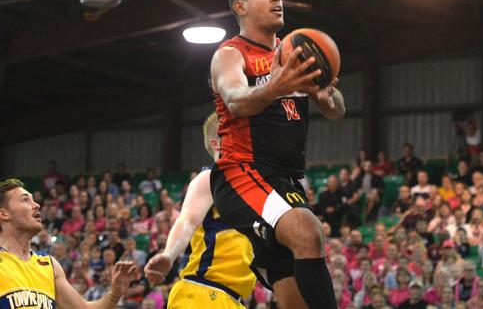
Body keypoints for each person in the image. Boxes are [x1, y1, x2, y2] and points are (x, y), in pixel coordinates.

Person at [201, 0, 345, 309]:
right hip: (243, 172)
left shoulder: (294, 52)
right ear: (240, 6)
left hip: (286, 177)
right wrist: (274, 87)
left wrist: (327, 98)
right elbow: (235, 100)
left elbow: (338, 109)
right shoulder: (230, 55)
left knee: (294, 299)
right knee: (308, 233)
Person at [145, 113, 277, 309]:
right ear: (218, 144)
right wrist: (169, 255)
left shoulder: (252, 188)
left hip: (233, 299)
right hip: (203, 293)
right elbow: (187, 221)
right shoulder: (209, 178)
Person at [0, 179, 137, 309]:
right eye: (25, 200)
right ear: (4, 214)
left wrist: (114, 294)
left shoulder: (49, 265)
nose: (37, 205)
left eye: (33, 200)